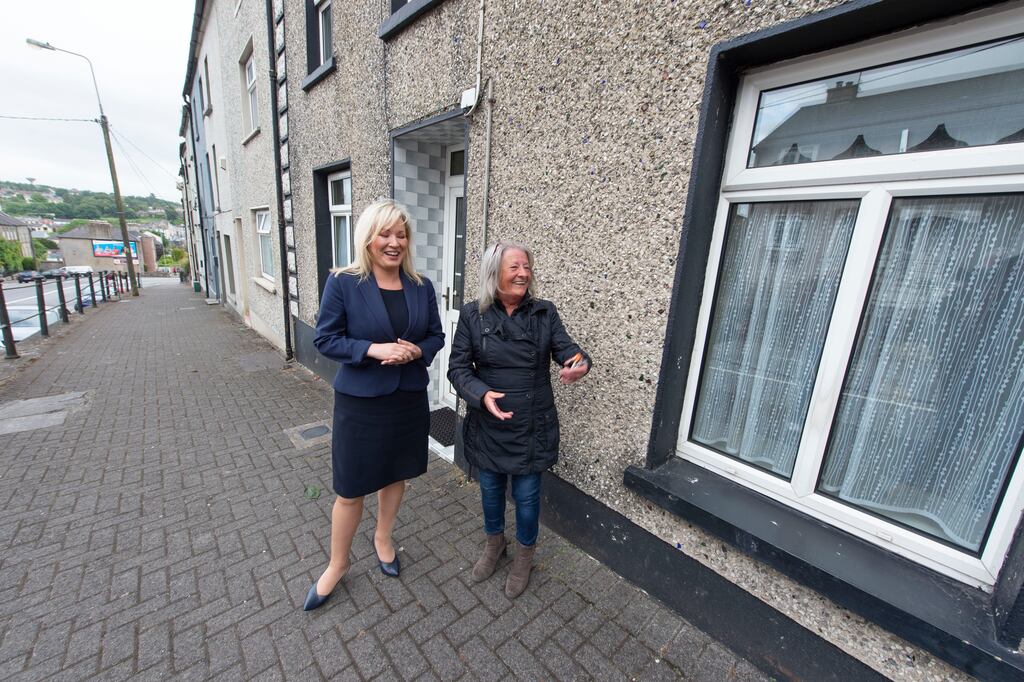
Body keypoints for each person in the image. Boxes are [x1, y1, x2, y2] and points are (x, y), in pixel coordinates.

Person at [303, 199, 444, 611]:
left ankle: (383, 538)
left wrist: (416, 352)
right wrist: (373, 349)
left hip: (406, 400)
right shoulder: (344, 283)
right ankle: (338, 563)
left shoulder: (421, 286)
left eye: (401, 234)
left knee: (395, 475)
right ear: (368, 237)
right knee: (350, 489)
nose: (394, 242)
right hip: (361, 404)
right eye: (385, 234)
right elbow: (325, 339)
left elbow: (435, 336)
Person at [447, 241, 590, 598]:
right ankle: (495, 545)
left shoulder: (544, 313)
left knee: (527, 497)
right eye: (514, 267)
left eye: (526, 266)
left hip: (531, 425)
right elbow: (457, 368)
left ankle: (524, 556)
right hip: (489, 423)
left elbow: (569, 351)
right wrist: (480, 394)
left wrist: (579, 364)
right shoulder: (472, 315)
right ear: (494, 273)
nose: (523, 273)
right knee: (491, 490)